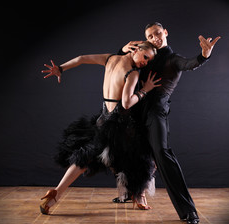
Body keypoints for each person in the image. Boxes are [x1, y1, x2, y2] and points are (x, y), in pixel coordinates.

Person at [113, 22, 220, 224]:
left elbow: (189, 64)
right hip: (134, 109)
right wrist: (123, 49)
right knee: (128, 152)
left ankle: (188, 211)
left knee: (161, 154)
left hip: (155, 112)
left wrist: (204, 55)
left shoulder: (172, 59)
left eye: (158, 33)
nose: (155, 38)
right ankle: (131, 193)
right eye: (151, 36)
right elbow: (122, 62)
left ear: (165, 32)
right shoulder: (145, 53)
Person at [39, 41, 161, 214]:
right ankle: (139, 195)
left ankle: (55, 194)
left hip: (103, 120)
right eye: (145, 57)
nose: (145, 63)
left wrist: (61, 68)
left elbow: (82, 58)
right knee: (147, 157)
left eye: (149, 61)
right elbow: (126, 103)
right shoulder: (132, 73)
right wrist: (145, 90)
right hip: (120, 124)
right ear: (136, 50)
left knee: (87, 157)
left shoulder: (110, 59)